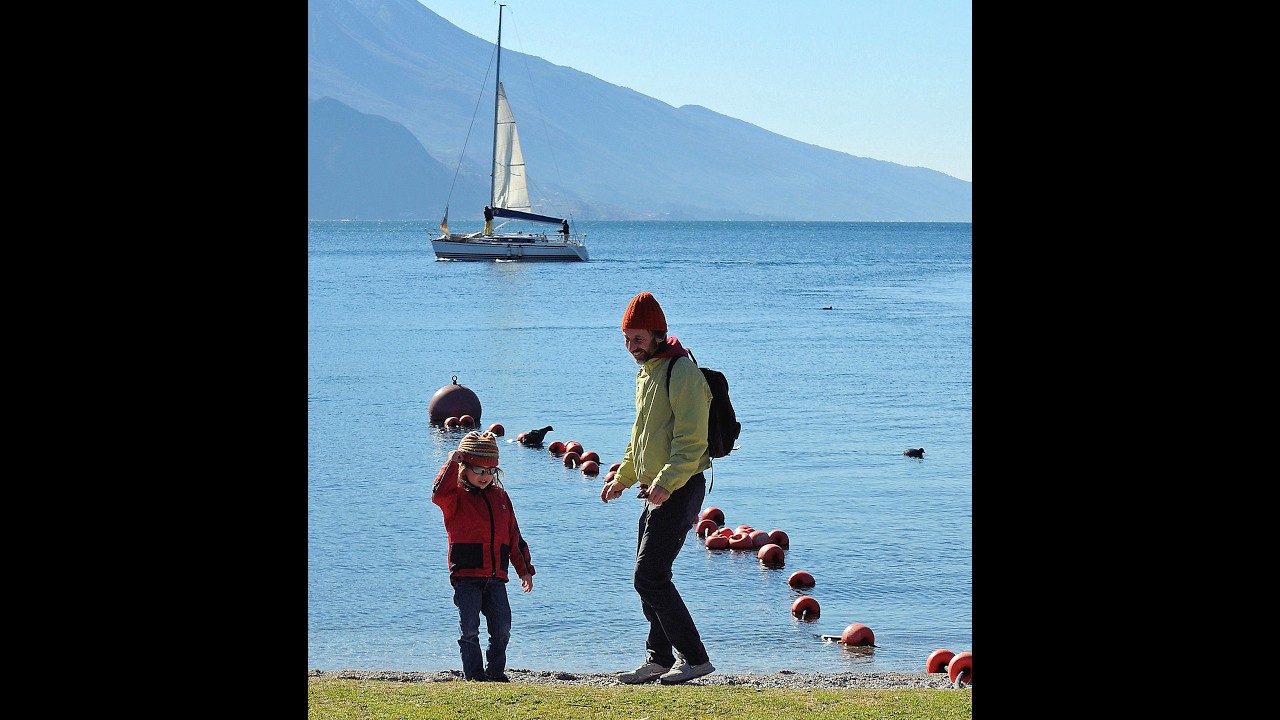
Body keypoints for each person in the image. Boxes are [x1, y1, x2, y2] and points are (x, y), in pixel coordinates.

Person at [601, 291, 715, 685]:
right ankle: (659, 658)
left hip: (679, 487)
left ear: (658, 334)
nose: (632, 347)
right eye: (626, 339)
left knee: (649, 576)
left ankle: (695, 658)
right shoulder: (647, 372)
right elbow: (641, 438)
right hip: (655, 489)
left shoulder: (681, 372)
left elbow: (692, 440)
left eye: (638, 338)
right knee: (648, 577)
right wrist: (622, 478)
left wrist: (666, 482)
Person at [431, 431, 535, 682]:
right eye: (478, 470)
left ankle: (495, 672)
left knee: (502, 629)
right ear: (464, 468)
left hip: (497, 577)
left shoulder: (500, 497)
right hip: (466, 576)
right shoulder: (455, 496)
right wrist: (451, 462)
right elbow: (438, 493)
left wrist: (524, 570)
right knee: (469, 630)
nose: (485, 476)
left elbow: (514, 536)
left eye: (490, 471)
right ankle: (475, 675)